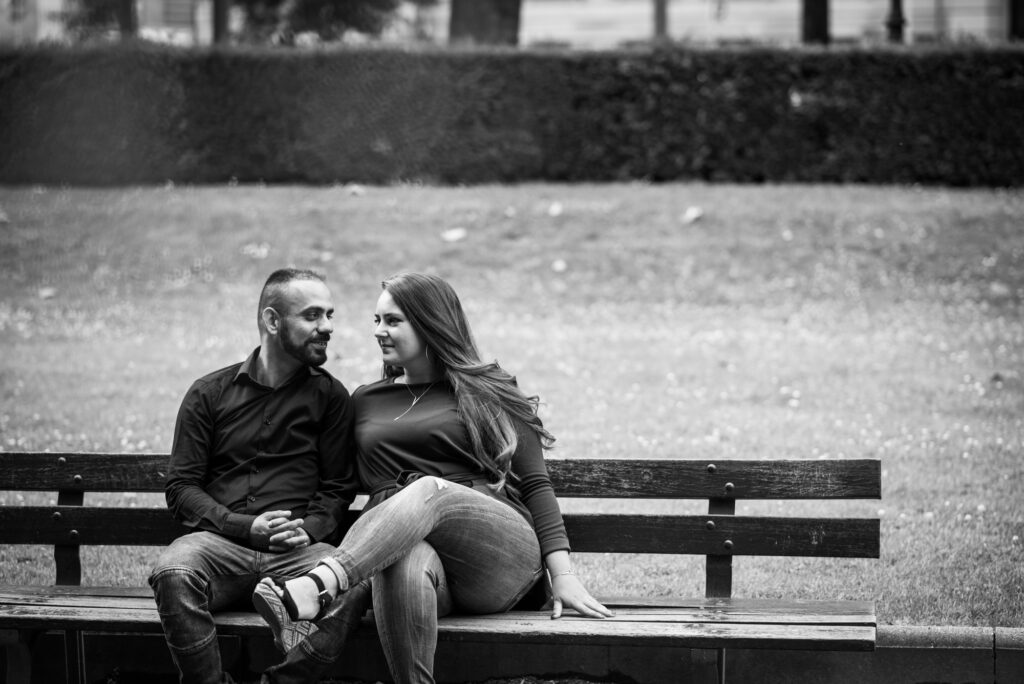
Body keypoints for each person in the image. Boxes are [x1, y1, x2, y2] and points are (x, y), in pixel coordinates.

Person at [252, 272, 613, 684]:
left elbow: (535, 484)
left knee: (427, 488)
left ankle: (318, 586)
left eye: (392, 321)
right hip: (426, 563)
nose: (378, 332)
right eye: (376, 320)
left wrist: (563, 576)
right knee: (402, 561)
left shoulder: (488, 389)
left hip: (497, 555)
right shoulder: (366, 400)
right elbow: (331, 481)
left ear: (429, 323)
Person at [149, 268, 364, 684]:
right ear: (272, 321)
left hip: (298, 555)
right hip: (220, 547)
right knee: (174, 572)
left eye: (330, 315)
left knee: (356, 582)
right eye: (313, 316)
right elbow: (180, 488)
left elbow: (338, 487)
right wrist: (245, 528)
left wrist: (310, 530)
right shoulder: (208, 394)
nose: (328, 328)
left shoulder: (331, 397)